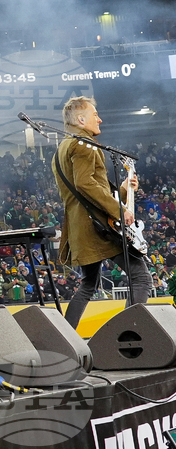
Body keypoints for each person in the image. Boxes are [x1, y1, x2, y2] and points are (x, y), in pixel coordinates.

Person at [52, 96, 150, 329]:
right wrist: (119, 209)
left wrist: (124, 191)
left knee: (88, 284)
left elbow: (89, 188)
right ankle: (129, 334)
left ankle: (65, 337)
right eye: (95, 115)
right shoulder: (83, 145)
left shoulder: (63, 148)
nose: (100, 119)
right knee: (141, 277)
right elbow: (86, 185)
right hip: (97, 227)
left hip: (81, 227)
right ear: (81, 119)